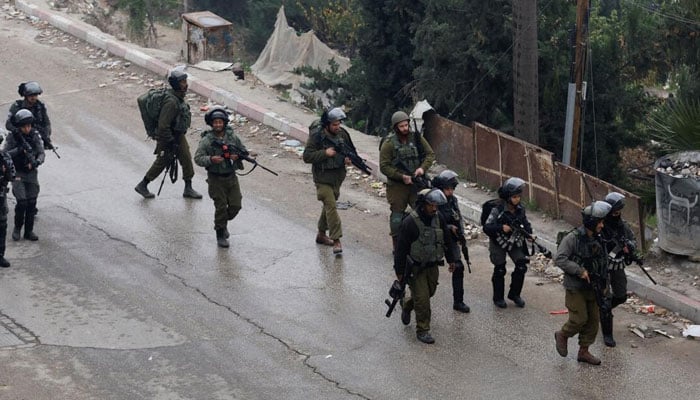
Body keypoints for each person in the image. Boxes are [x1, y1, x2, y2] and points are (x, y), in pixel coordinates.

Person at [554, 201, 612, 365]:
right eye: (599, 222)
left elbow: (604, 262)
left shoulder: (599, 239)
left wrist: (605, 284)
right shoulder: (573, 238)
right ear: (592, 222)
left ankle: (584, 351)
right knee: (579, 319)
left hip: (594, 286)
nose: (602, 225)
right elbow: (560, 258)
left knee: (593, 321)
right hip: (576, 287)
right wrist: (579, 271)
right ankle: (563, 334)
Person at [395, 188, 455, 344]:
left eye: (436, 205)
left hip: (432, 265)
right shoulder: (410, 222)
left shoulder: (438, 218)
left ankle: (407, 305)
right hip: (415, 268)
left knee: (429, 292)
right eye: (431, 205)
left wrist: (452, 259)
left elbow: (447, 240)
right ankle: (423, 329)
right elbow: (400, 249)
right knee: (422, 300)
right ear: (423, 205)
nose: (434, 208)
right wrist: (399, 272)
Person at [134, 69, 202, 200]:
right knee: (162, 161)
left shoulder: (178, 97)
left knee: (186, 158)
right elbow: (163, 125)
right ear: (176, 84)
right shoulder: (171, 102)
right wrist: (170, 141)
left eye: (185, 81)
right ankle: (143, 184)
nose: (185, 84)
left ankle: (188, 187)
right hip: (168, 137)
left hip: (177, 135)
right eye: (182, 82)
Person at [302, 107, 356, 254]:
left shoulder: (343, 134)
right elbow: (307, 156)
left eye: (339, 124)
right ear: (327, 125)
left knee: (328, 206)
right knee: (331, 206)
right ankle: (336, 240)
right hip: (322, 177)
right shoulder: (317, 136)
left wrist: (348, 159)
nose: (337, 127)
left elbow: (351, 151)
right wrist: (325, 153)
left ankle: (321, 234)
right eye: (334, 125)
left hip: (337, 177)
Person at [379, 111, 435, 252]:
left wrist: (422, 169)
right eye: (401, 126)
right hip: (397, 186)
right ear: (396, 127)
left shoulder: (416, 138)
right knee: (397, 215)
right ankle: (397, 243)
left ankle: (420, 242)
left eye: (406, 125)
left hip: (416, 184)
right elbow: (384, 166)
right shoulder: (389, 144)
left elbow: (430, 154)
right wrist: (401, 176)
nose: (405, 128)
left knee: (421, 212)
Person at [194, 108, 247, 248]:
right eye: (215, 122)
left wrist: (238, 156)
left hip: (231, 177)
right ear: (211, 124)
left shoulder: (232, 138)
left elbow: (243, 150)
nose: (218, 125)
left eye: (220, 122)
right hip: (215, 179)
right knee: (221, 207)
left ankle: (222, 223)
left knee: (236, 205)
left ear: (224, 123)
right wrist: (211, 159)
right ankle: (220, 234)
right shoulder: (207, 140)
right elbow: (198, 158)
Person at [482, 177, 532, 308]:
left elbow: (525, 223)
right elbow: (487, 227)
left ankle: (514, 294)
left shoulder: (520, 209)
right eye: (514, 197)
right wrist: (501, 228)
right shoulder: (497, 209)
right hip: (498, 241)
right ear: (508, 197)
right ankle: (498, 297)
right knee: (500, 268)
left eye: (518, 196)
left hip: (514, 240)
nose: (517, 199)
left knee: (521, 265)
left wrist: (529, 234)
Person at [599, 192, 636, 347]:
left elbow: (632, 238)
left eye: (619, 212)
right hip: (602, 265)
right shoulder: (600, 225)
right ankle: (607, 333)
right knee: (606, 302)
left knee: (621, 296)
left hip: (617, 264)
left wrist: (630, 247)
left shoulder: (622, 226)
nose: (617, 215)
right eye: (615, 212)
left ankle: (602, 309)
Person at [432, 170, 470, 313]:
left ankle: (458, 302)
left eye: (452, 189)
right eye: (447, 189)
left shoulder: (453, 200)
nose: (450, 192)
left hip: (450, 239)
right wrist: (447, 227)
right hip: (434, 239)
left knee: (458, 267)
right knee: (426, 271)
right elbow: (432, 222)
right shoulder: (433, 200)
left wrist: (460, 234)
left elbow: (457, 217)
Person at [3, 109, 45, 242]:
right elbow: (5, 154)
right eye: (24, 126)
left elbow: (41, 153)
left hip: (31, 173)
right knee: (22, 202)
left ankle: (28, 231)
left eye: (29, 126)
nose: (27, 129)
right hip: (18, 173)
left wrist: (36, 162)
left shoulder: (34, 135)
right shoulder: (12, 137)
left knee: (32, 202)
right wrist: (19, 150)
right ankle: (17, 228)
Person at [5, 81, 54, 150]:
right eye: (31, 96)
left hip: (34, 138)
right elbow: (8, 124)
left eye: (35, 95)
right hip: (18, 138)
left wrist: (46, 137)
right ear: (26, 96)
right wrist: (17, 131)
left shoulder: (40, 107)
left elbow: (46, 123)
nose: (33, 98)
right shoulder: (17, 106)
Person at [0, 144, 16, 268]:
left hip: (1, 195)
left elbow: (13, 175)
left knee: (2, 225)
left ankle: (0, 255)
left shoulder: (5, 156)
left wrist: (6, 171)